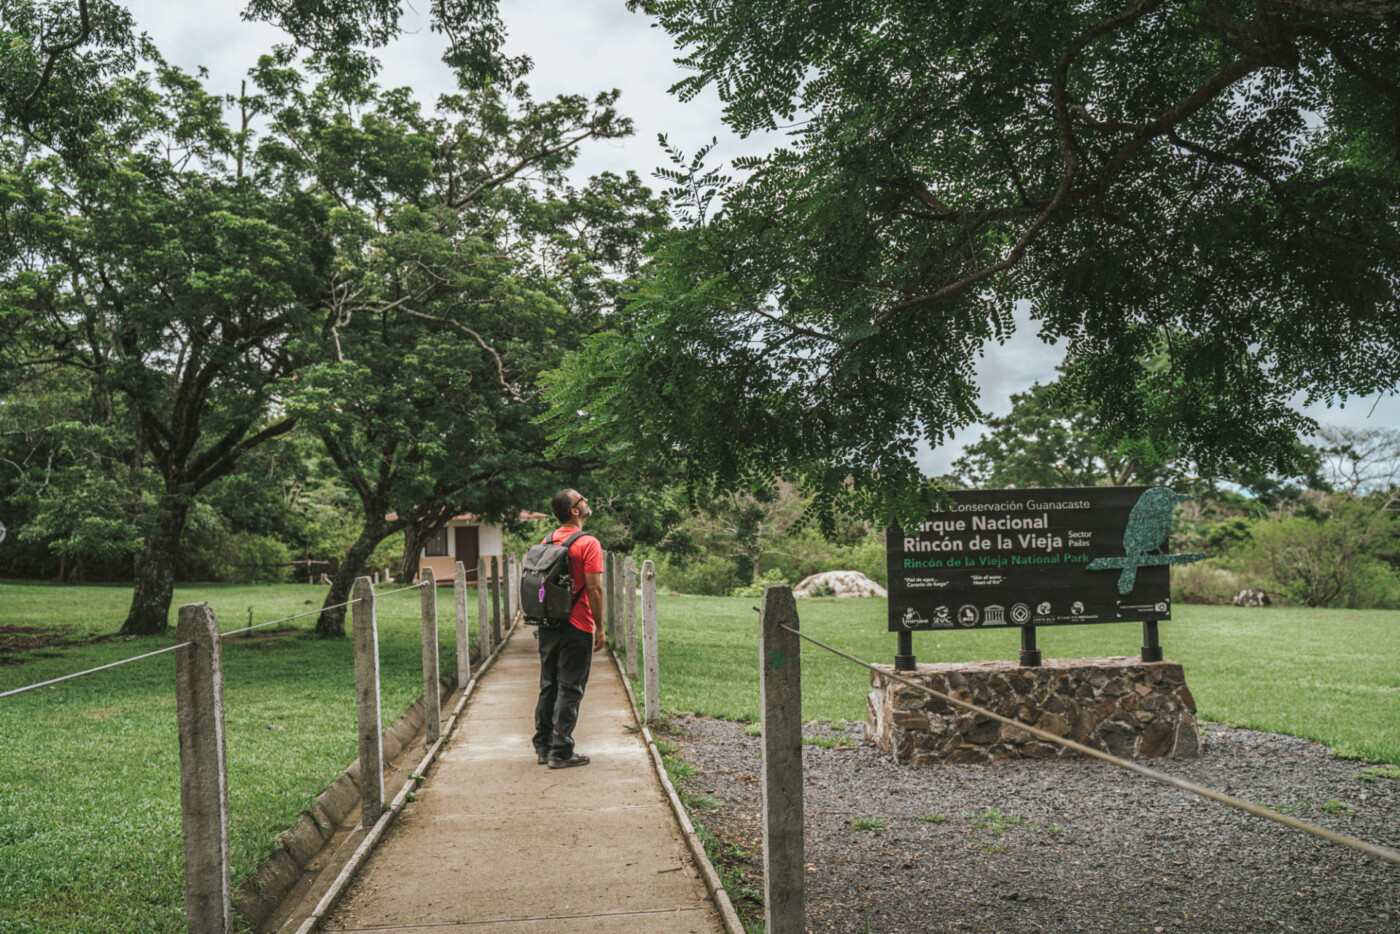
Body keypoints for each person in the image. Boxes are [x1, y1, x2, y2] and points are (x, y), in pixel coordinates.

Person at [532, 488, 605, 769]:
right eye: (582, 499)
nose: (587, 501)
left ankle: (544, 746)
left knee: (548, 684)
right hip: (577, 624)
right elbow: (594, 588)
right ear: (575, 511)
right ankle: (561, 752)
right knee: (570, 687)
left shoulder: (547, 539)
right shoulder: (589, 543)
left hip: (549, 622)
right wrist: (600, 628)